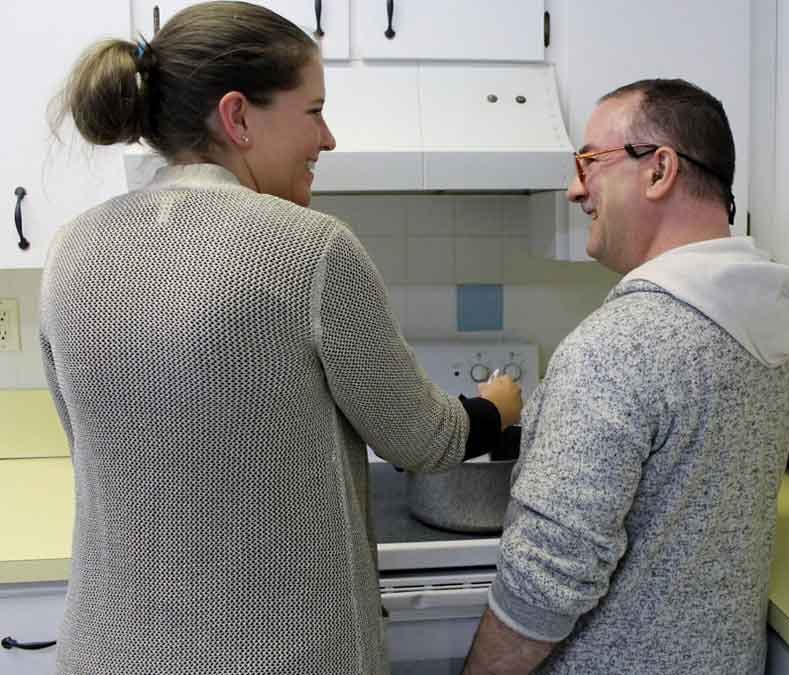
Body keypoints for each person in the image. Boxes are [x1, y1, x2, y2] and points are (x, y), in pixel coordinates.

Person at [40, 3, 522, 674]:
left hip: (105, 652)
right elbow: (424, 439)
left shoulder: (68, 253)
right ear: (237, 117)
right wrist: (497, 405)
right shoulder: (309, 249)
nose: (327, 139)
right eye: (314, 110)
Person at [462, 78, 789, 674]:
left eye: (591, 161)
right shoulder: (775, 331)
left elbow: (546, 581)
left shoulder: (614, 350)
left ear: (659, 171)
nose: (575, 187)